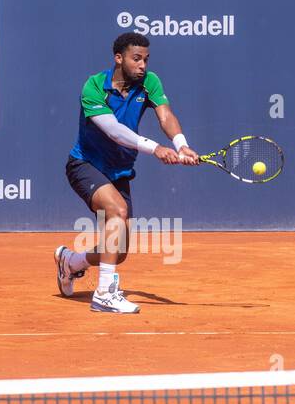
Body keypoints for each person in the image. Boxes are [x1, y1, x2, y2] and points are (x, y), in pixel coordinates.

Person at [54, 32, 198, 314]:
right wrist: (155, 148)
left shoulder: (150, 82)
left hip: (119, 172)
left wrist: (181, 145)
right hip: (86, 165)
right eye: (136, 59)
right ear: (118, 59)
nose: (143, 65)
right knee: (117, 210)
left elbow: (165, 116)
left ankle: (71, 262)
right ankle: (105, 294)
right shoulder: (94, 86)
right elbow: (114, 131)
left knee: (117, 252)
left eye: (146, 59)